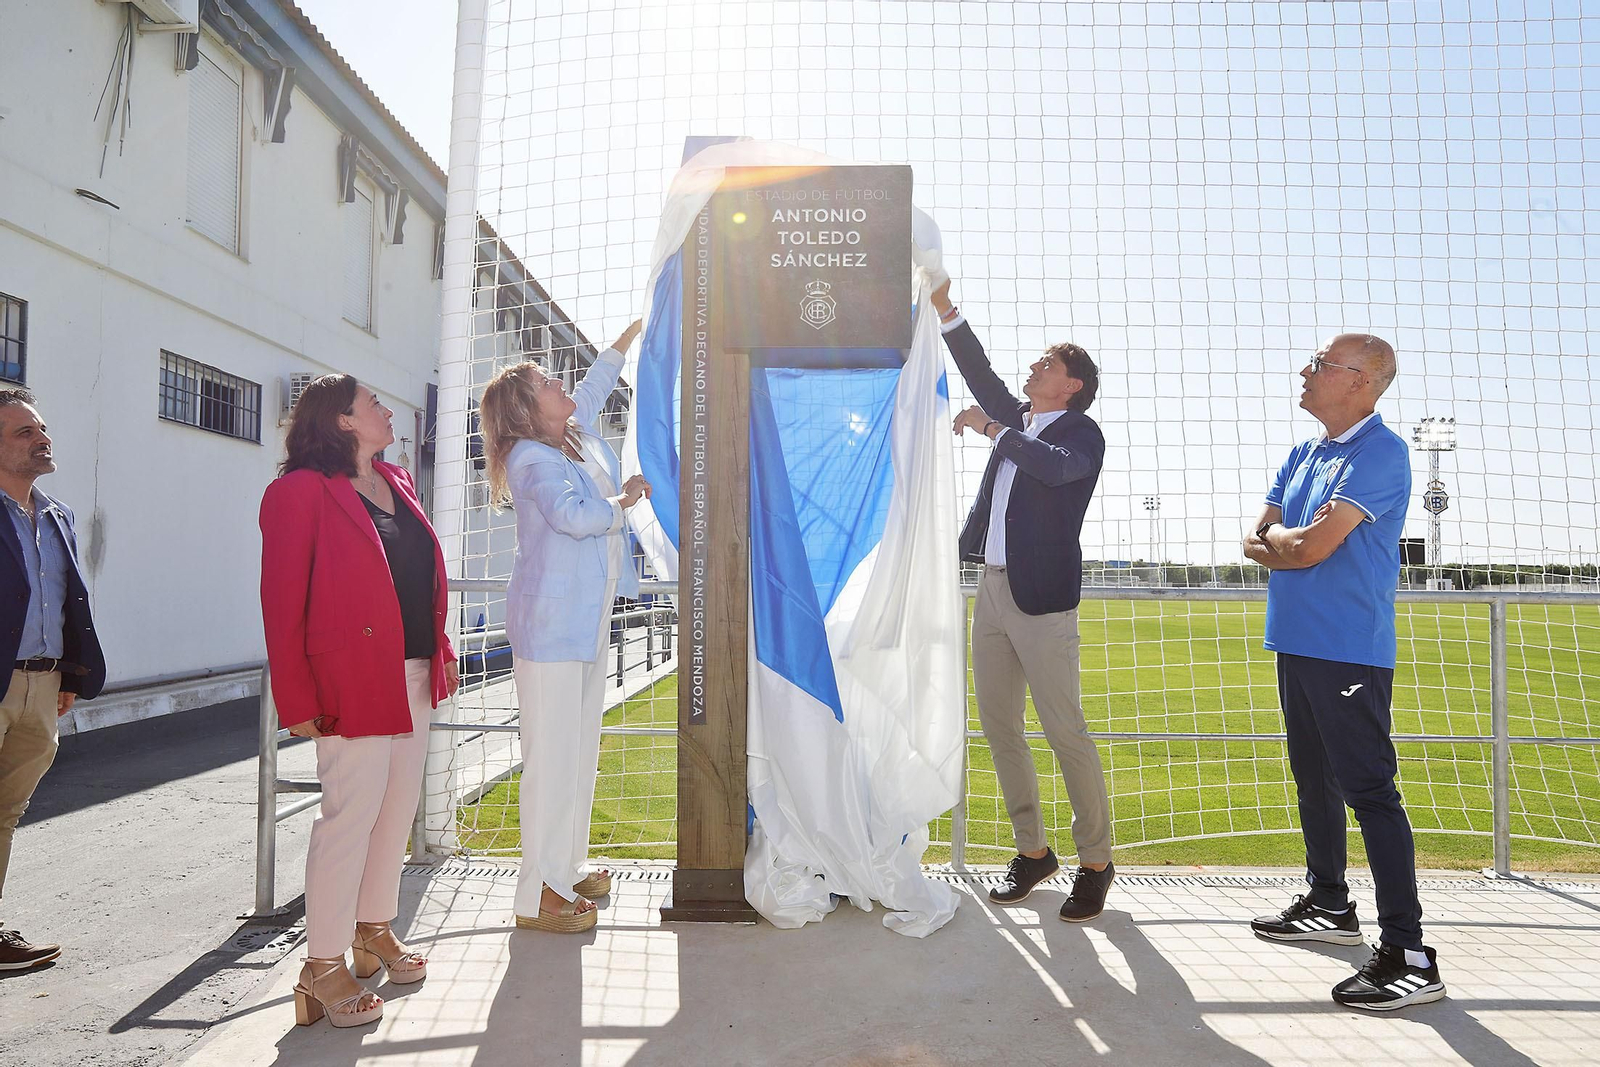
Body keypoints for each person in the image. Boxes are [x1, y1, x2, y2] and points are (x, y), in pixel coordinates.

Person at [1243, 334, 1445, 1011]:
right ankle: (1330, 901)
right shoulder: (1305, 451)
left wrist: (1284, 543)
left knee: (1369, 790)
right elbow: (1264, 536)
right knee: (1312, 777)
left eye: (1321, 364)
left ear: (1361, 379)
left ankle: (1410, 954)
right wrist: (1285, 543)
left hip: (1348, 647)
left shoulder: (1381, 452)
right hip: (1296, 640)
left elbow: (1308, 548)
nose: (1306, 371)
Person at [260, 375, 459, 1027]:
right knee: (349, 816)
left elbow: (414, 570)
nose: (387, 409)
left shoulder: (398, 481)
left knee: (396, 807)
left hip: (412, 670)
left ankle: (373, 926)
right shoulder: (297, 493)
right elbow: (282, 602)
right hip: (350, 677)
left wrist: (440, 649)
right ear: (342, 421)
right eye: (372, 402)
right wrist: (296, 696)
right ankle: (320, 965)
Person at [928, 280, 1115, 922]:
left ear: (1072, 387)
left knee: (1065, 731)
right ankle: (1033, 852)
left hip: (1044, 601)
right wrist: (947, 311)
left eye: (1049, 363)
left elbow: (1054, 467)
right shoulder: (1019, 420)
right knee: (1000, 727)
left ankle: (1096, 862)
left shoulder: (1080, 433)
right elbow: (978, 373)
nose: (1034, 366)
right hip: (994, 590)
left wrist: (988, 428)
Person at [479, 319, 649, 933]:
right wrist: (624, 501)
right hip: (551, 629)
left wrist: (623, 344)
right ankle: (536, 895)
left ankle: (564, 867)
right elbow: (575, 517)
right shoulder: (529, 458)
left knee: (579, 753)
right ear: (527, 408)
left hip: (587, 620)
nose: (561, 384)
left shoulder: (569, 439)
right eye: (548, 382)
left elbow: (595, 387)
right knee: (550, 760)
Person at [0, 388, 105, 972]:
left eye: (41, 430)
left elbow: (66, 603)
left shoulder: (56, 515)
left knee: (5, 811)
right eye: (23, 432)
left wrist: (69, 669)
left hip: (42, 686)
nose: (42, 440)